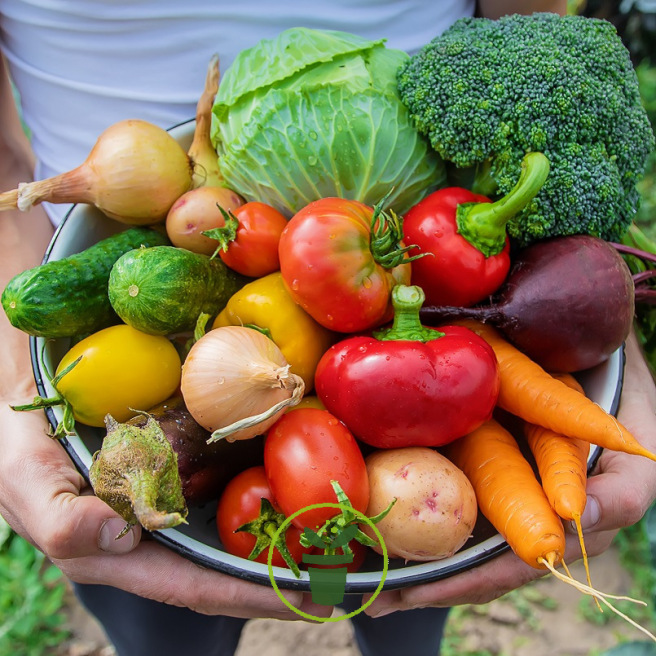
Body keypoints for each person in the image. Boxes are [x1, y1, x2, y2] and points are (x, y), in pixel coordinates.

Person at [3, 1, 654, 654]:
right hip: (120, 215)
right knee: (167, 634)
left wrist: (597, 306)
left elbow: (535, 69)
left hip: (435, 182)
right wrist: (6, 371)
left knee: (404, 606)